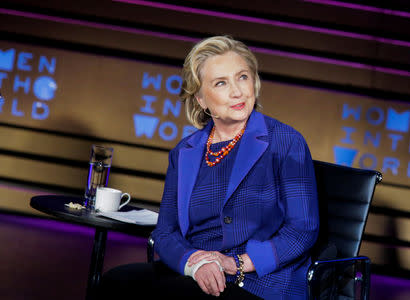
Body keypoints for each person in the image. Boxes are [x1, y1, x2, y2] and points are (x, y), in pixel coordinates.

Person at [98, 35, 319, 300]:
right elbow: (166, 231)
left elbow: (302, 230)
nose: (237, 91)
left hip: (258, 280)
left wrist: (235, 263)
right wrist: (195, 263)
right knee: (115, 283)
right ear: (201, 99)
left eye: (243, 77)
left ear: (255, 82)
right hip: (197, 273)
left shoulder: (285, 142)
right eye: (221, 83)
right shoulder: (184, 152)